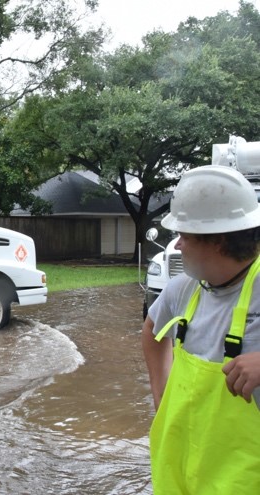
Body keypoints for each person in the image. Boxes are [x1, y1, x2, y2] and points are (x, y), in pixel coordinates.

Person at [142, 165, 260, 494]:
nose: (177, 245)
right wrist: (160, 393)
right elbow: (152, 331)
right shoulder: (182, 289)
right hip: (179, 476)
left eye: (184, 235)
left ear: (218, 240)